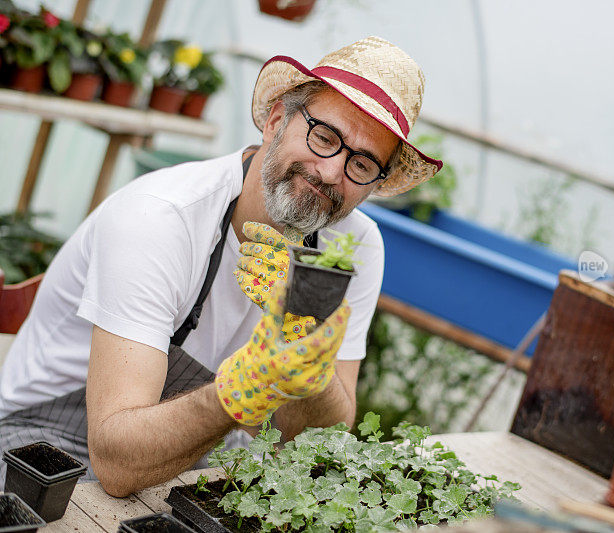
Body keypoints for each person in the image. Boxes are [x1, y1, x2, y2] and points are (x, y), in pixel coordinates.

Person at [0, 36, 441, 496]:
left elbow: (317, 442)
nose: (331, 172)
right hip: (43, 449)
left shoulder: (356, 247)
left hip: (196, 454)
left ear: (375, 184)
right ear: (275, 122)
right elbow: (116, 464)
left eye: (363, 164)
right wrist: (242, 390)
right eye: (324, 137)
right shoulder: (161, 217)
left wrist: (305, 339)